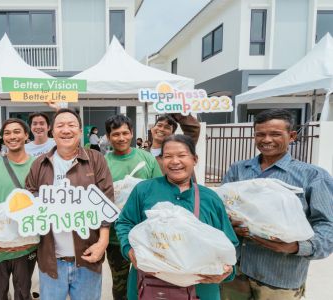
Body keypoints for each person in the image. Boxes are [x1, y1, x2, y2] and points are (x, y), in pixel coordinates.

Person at [220, 109, 333, 300]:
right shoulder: (238, 170)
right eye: (260, 134)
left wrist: (297, 247)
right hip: (236, 272)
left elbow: (326, 225)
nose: (266, 139)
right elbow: (222, 209)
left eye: (275, 134)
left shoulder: (313, 176)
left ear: (292, 136)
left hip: (280, 277)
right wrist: (229, 224)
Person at [115, 135, 239, 300]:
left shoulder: (209, 198)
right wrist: (128, 250)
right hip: (149, 285)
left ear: (194, 159)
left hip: (200, 288)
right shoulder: (144, 190)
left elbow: (229, 243)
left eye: (181, 155)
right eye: (168, 156)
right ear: (161, 160)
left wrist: (228, 271)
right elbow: (124, 222)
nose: (175, 161)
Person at [25, 108, 114, 300]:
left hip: (88, 257)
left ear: (81, 131)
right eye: (60, 125)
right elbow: (29, 199)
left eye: (72, 125)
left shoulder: (95, 159)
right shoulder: (39, 164)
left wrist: (103, 241)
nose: (66, 130)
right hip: (51, 260)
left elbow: (106, 201)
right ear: (52, 132)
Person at [104, 114, 163, 300]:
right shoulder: (103, 162)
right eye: (115, 134)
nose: (121, 138)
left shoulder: (147, 159)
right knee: (119, 284)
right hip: (116, 237)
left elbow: (158, 193)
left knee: (147, 281)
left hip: (146, 235)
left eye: (125, 133)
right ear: (108, 137)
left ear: (131, 134)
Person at [0, 118, 38, 300]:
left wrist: (31, 238)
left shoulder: (38, 165)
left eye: (17, 132)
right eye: (7, 133)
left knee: (23, 293)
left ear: (26, 135)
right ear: (3, 138)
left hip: (26, 244)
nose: (12, 136)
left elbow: (43, 204)